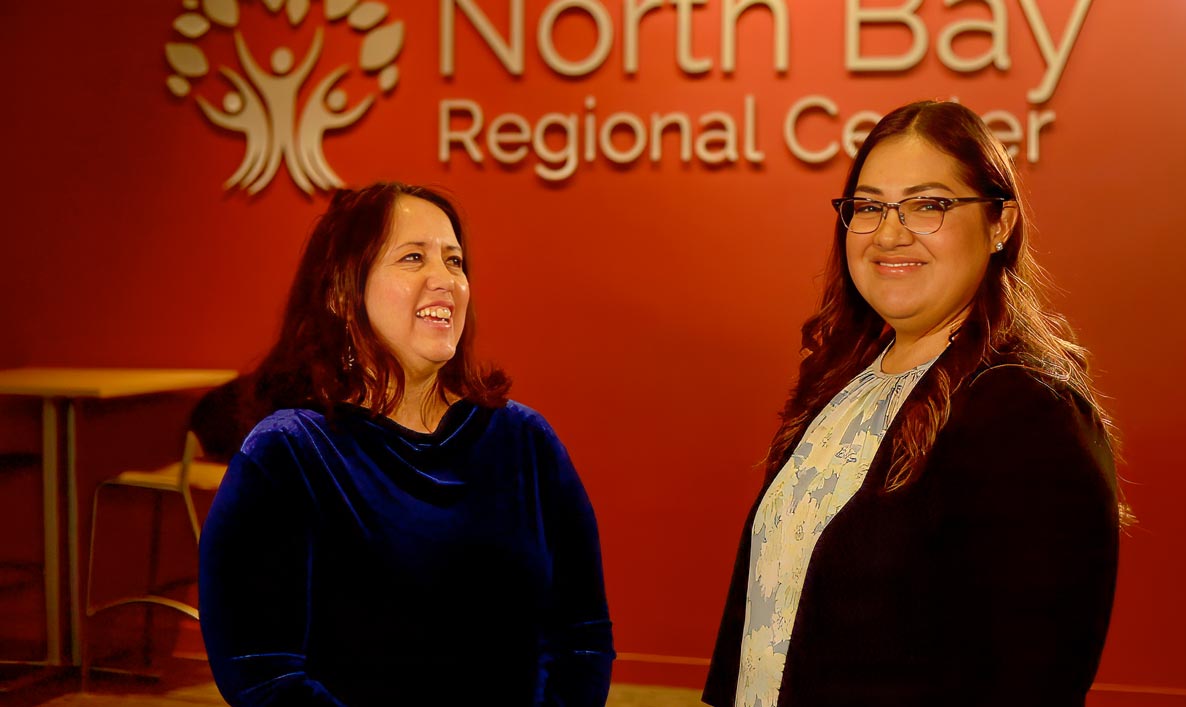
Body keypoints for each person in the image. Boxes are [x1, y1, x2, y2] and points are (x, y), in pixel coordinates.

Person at [703, 101, 1122, 707]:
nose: (889, 233)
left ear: (1000, 222)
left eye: (929, 206)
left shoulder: (1026, 408)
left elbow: (1032, 680)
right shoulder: (842, 386)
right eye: (869, 208)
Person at [199, 183, 614, 706]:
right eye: (413, 257)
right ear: (340, 292)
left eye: (455, 261)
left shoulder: (525, 441)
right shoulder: (287, 454)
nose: (445, 280)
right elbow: (261, 673)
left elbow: (583, 636)